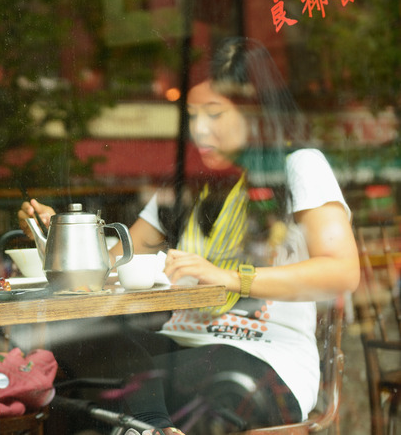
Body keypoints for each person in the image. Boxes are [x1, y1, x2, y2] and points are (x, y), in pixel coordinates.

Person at [18, 37, 359, 435]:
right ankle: (153, 427)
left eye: (214, 114)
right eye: (193, 115)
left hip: (262, 357)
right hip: (176, 348)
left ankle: (147, 425)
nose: (199, 130)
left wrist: (231, 277)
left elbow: (342, 272)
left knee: (152, 384)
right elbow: (110, 266)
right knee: (76, 347)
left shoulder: (297, 165)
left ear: (255, 112)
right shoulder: (185, 185)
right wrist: (62, 238)